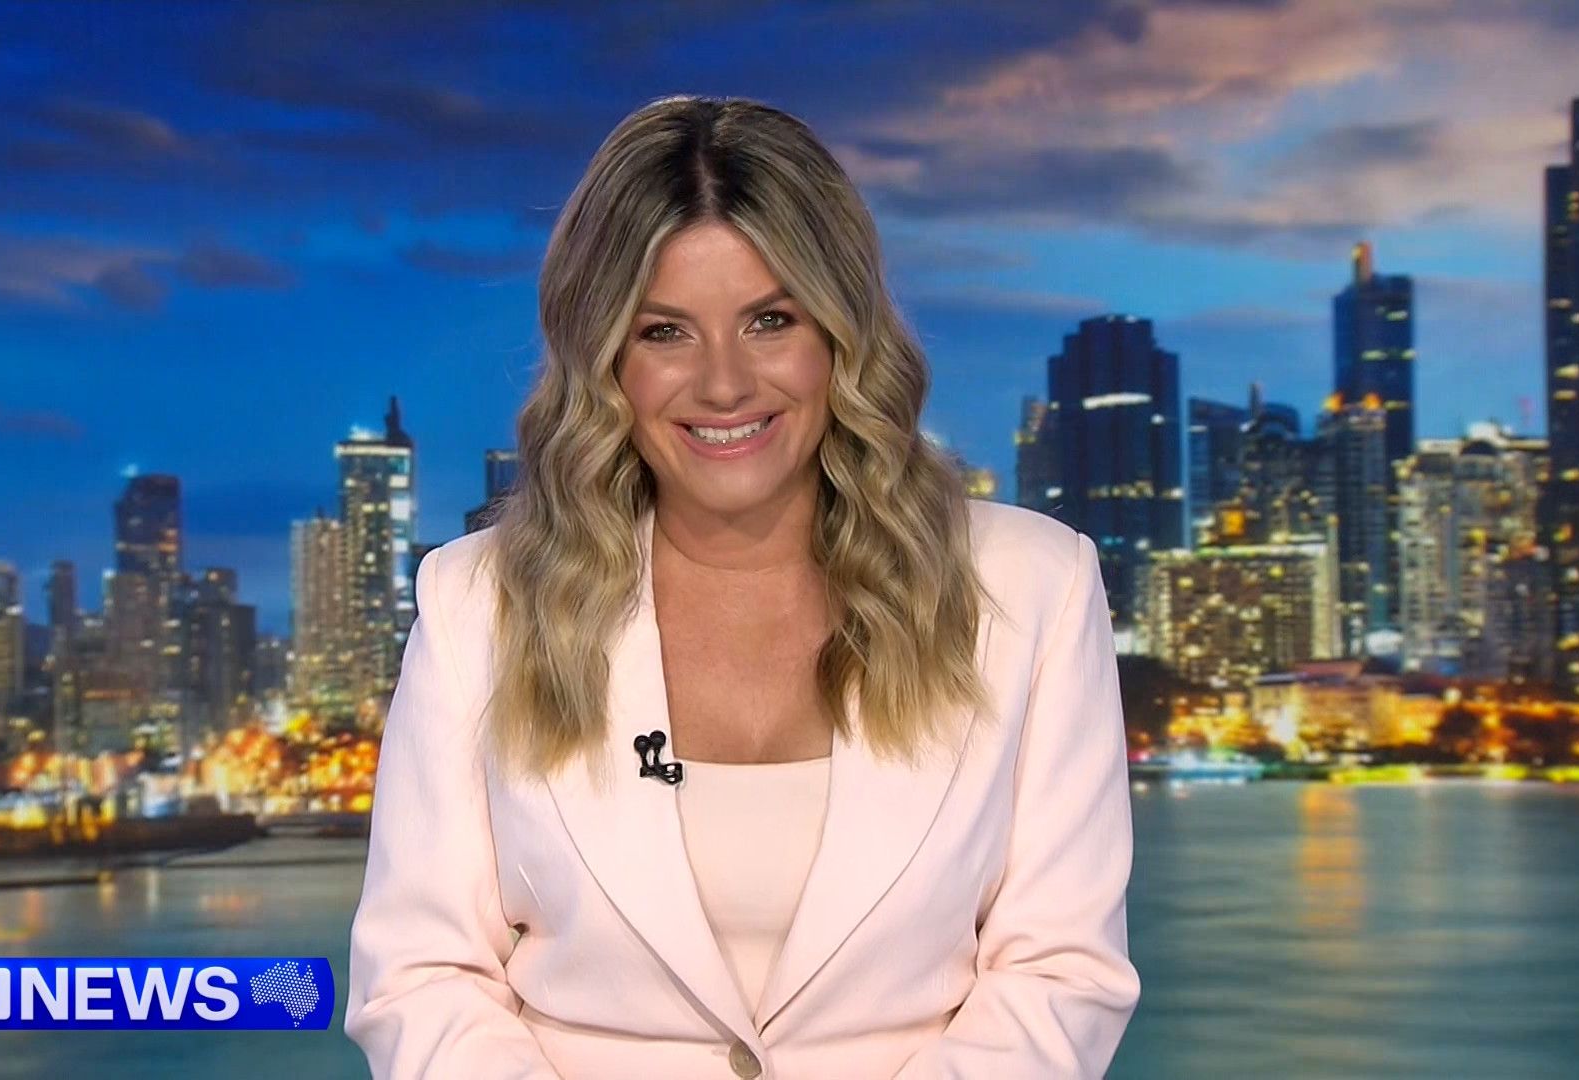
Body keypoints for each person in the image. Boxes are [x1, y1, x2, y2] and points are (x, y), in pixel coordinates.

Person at [344, 93, 1140, 1079]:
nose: (724, 384)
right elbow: (421, 978)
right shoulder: (476, 605)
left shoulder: (1035, 588)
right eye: (665, 332)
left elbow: (1061, 972)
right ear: (605, 360)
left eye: (770, 320)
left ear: (841, 335)